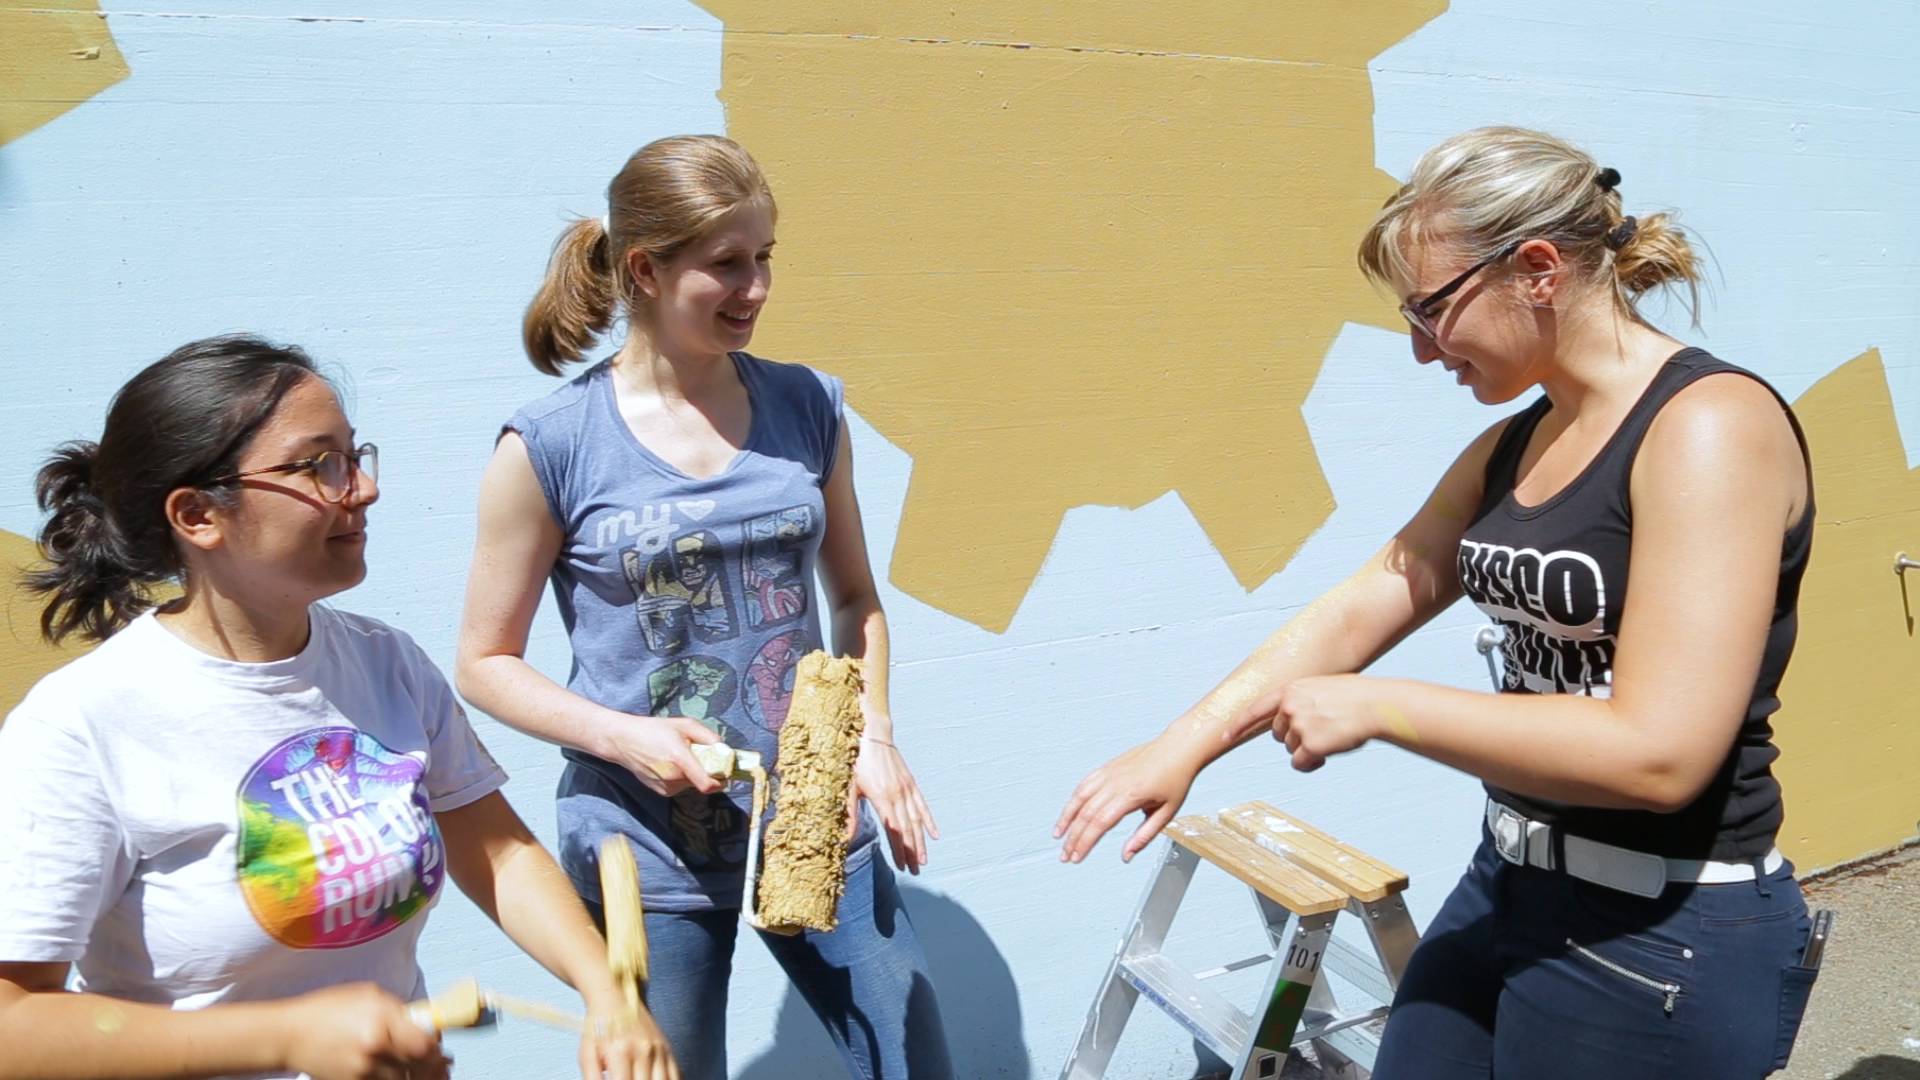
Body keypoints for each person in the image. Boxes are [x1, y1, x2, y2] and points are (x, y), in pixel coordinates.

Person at [1055, 126, 1818, 1078]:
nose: (1421, 352)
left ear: (1537, 267)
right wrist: (1186, 743)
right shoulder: (1518, 443)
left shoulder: (1707, 428)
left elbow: (1660, 753)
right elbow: (1382, 588)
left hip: (1663, 934)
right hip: (1511, 880)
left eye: (1431, 310)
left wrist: (1383, 707)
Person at [0, 336, 678, 1080]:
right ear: (197, 515)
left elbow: (498, 852)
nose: (362, 487)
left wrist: (606, 993)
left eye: (355, 456)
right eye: (319, 465)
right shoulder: (79, 727)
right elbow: (14, 1023)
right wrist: (286, 1038)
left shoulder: (385, 663)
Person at [456, 134, 951, 1080]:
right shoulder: (551, 445)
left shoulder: (808, 405)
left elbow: (853, 597)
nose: (755, 288)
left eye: (765, 258)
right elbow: (483, 665)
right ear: (644, 269)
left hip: (811, 817)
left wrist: (874, 735)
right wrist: (625, 737)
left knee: (914, 1062)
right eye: (726, 264)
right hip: (646, 851)